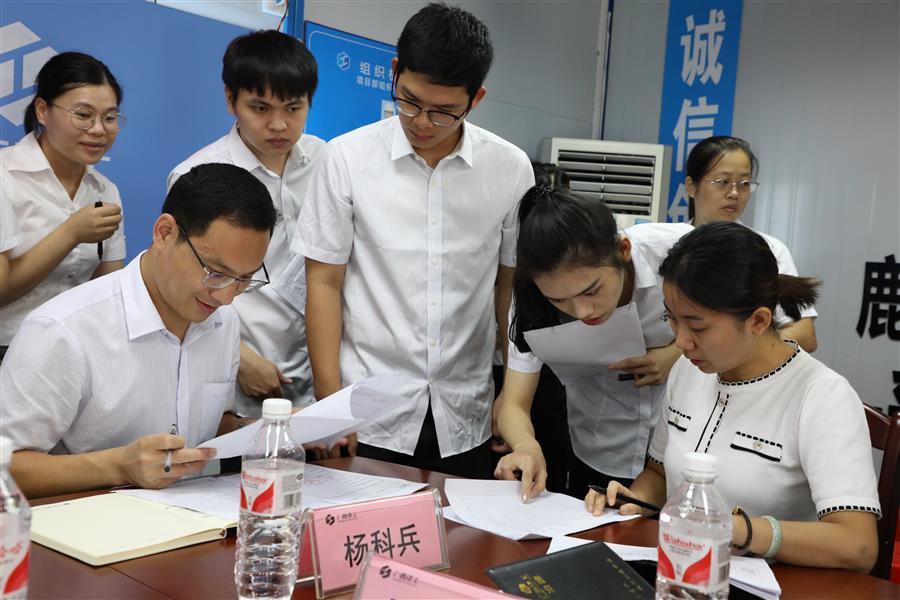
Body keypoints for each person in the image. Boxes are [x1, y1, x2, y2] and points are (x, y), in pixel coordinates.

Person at [296, 3, 534, 478]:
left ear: (476, 98)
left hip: (465, 412)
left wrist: (512, 399)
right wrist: (329, 404)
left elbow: (509, 291)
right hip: (367, 414)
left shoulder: (509, 169)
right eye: (409, 101)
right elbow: (323, 284)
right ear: (394, 72)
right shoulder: (346, 159)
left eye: (444, 112)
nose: (422, 122)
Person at [585, 222, 879, 572]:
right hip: (682, 571)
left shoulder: (822, 395)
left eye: (698, 326)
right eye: (671, 319)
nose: (681, 341)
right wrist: (636, 500)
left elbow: (857, 546)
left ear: (758, 320)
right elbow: (659, 474)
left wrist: (735, 529)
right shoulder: (689, 369)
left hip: (777, 584)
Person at [0, 163, 276, 498]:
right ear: (165, 232)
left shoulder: (223, 322)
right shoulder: (62, 330)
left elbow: (203, 425)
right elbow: (6, 467)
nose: (227, 296)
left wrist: (270, 430)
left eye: (244, 279)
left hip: (193, 516)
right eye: (215, 273)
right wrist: (118, 466)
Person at [495, 185, 691, 499]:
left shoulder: (675, 251)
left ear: (622, 250)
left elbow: (742, 322)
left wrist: (676, 353)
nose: (582, 311)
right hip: (599, 447)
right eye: (560, 301)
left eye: (591, 290)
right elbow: (514, 404)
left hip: (685, 451)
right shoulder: (532, 299)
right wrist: (526, 446)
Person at [169, 30, 325, 415]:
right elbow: (180, 284)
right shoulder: (198, 174)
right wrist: (240, 358)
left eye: (293, 108)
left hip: (313, 371)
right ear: (230, 99)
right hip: (235, 370)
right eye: (260, 108)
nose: (279, 124)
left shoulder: (327, 161)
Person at [0, 52, 126, 361]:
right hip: (9, 350)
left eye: (110, 118)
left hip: (75, 353)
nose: (98, 129)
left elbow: (107, 291)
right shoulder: (5, 176)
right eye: (83, 115)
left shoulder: (106, 190)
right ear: (42, 110)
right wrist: (71, 232)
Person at [685, 135, 817, 351]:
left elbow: (805, 334)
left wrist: (726, 349)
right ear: (691, 186)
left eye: (744, 183)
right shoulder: (663, 243)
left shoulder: (769, 250)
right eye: (723, 182)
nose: (734, 193)